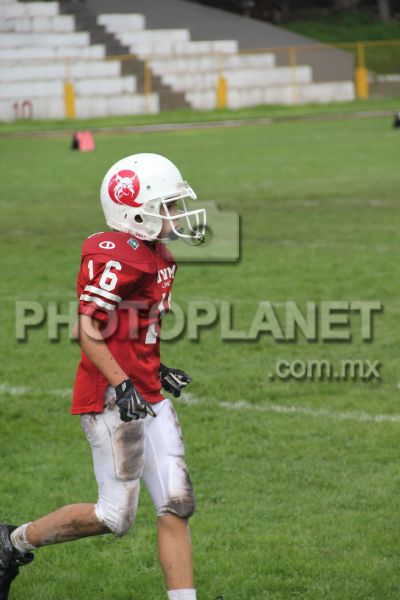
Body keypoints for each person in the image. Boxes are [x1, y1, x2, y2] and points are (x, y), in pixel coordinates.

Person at [0, 153, 207, 600]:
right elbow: (87, 329)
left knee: (177, 506)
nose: (176, 214)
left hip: (145, 394)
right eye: (167, 205)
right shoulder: (121, 258)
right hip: (111, 398)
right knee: (115, 517)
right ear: (135, 212)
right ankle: (11, 543)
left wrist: (155, 368)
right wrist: (123, 382)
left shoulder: (159, 255)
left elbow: (131, 327)